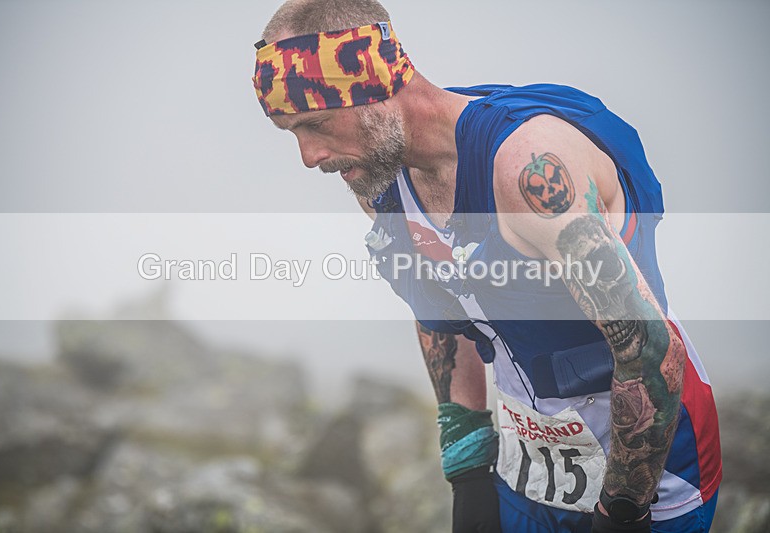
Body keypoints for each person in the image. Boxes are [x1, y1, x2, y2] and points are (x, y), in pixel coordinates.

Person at [252, 1, 722, 531]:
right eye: (291, 132)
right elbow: (440, 314)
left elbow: (650, 349)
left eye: (314, 124)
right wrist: (468, 470)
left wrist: (624, 509)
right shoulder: (380, 178)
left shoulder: (525, 168)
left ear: (376, 85)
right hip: (527, 468)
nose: (308, 156)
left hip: (651, 475)